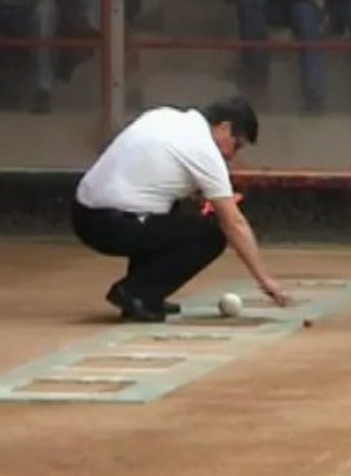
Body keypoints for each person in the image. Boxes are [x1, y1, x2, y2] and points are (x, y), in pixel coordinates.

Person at [71, 96, 291, 322]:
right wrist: (265, 280)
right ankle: (136, 292)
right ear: (224, 128)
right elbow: (234, 224)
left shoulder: (164, 116)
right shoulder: (204, 149)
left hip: (83, 211)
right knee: (210, 235)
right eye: (237, 145)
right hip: (110, 222)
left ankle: (146, 295)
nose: (232, 155)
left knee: (170, 209)